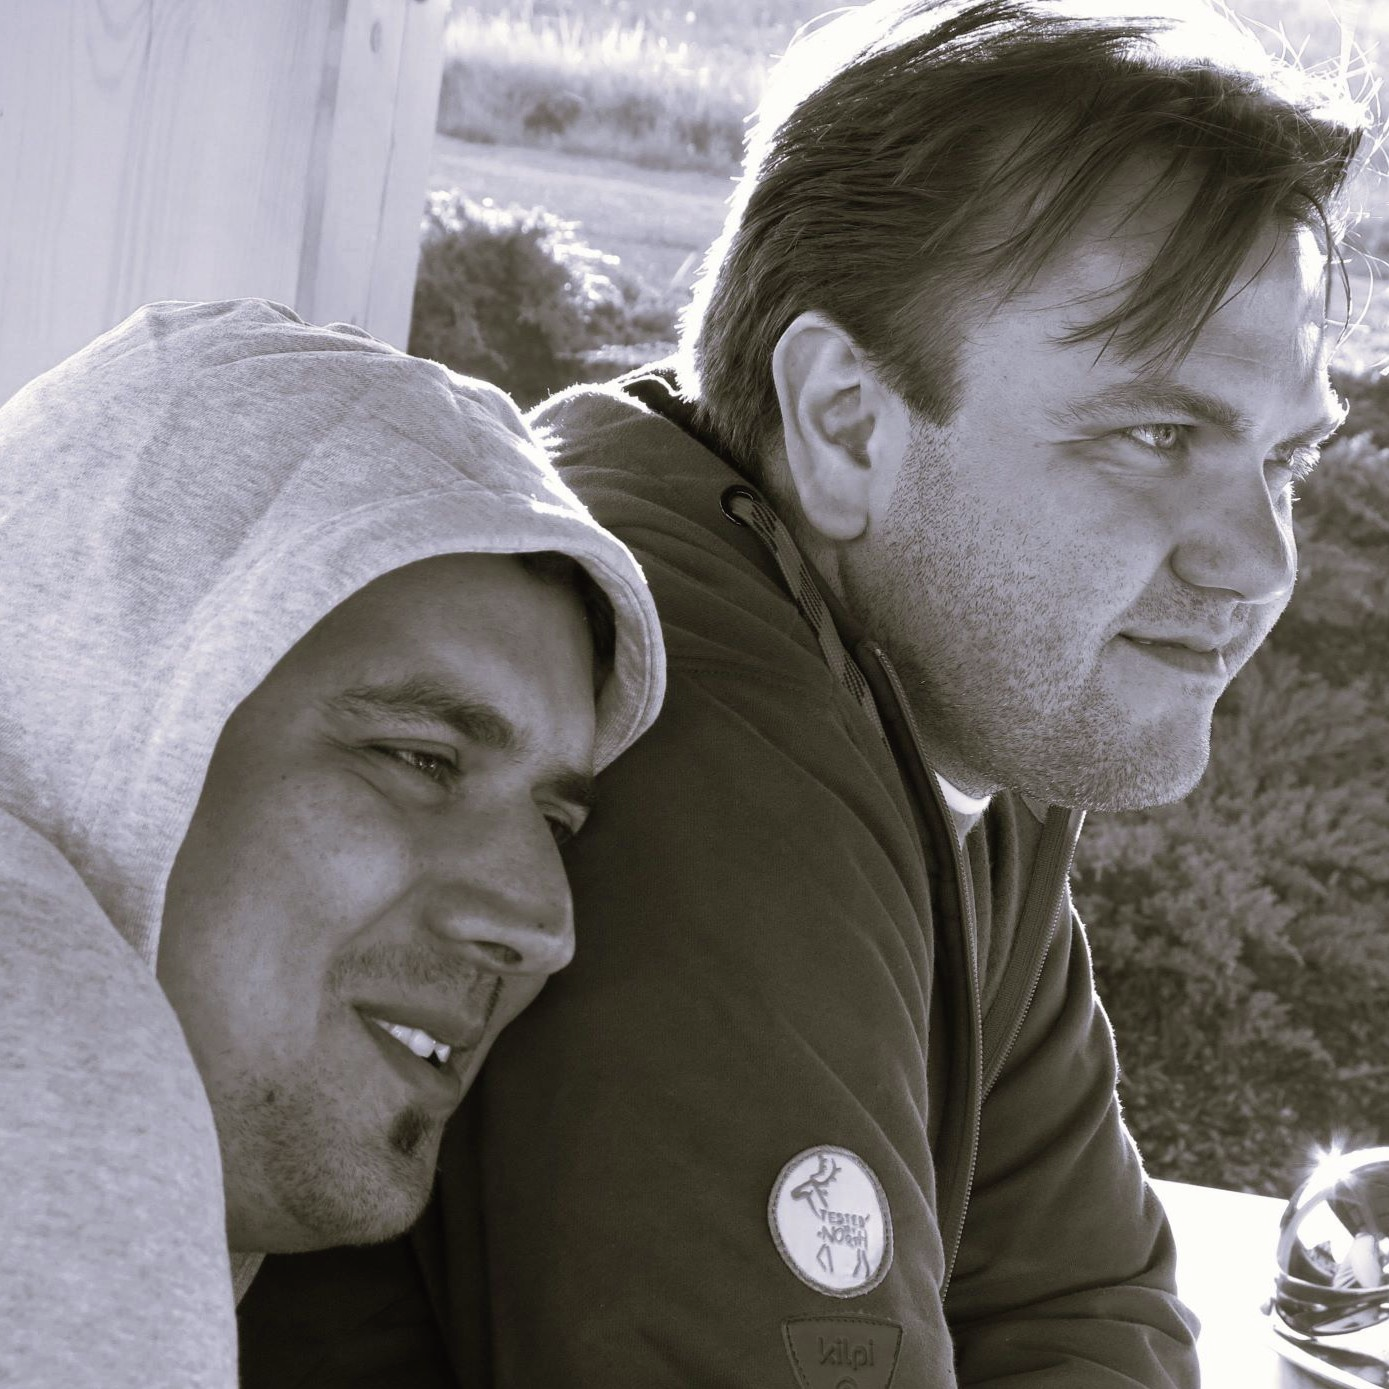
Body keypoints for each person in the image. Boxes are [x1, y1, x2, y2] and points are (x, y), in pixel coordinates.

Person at [237, 0, 1370, 1384]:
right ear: (844, 422)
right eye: (1155, 432)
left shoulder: (970, 696)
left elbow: (1080, 1300)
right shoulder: (689, 735)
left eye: (1286, 459)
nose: (1259, 559)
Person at [0, 297, 664, 1387]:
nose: (545, 925)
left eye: (555, 821)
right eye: (419, 758)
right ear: (108, 707)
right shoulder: (38, 1046)